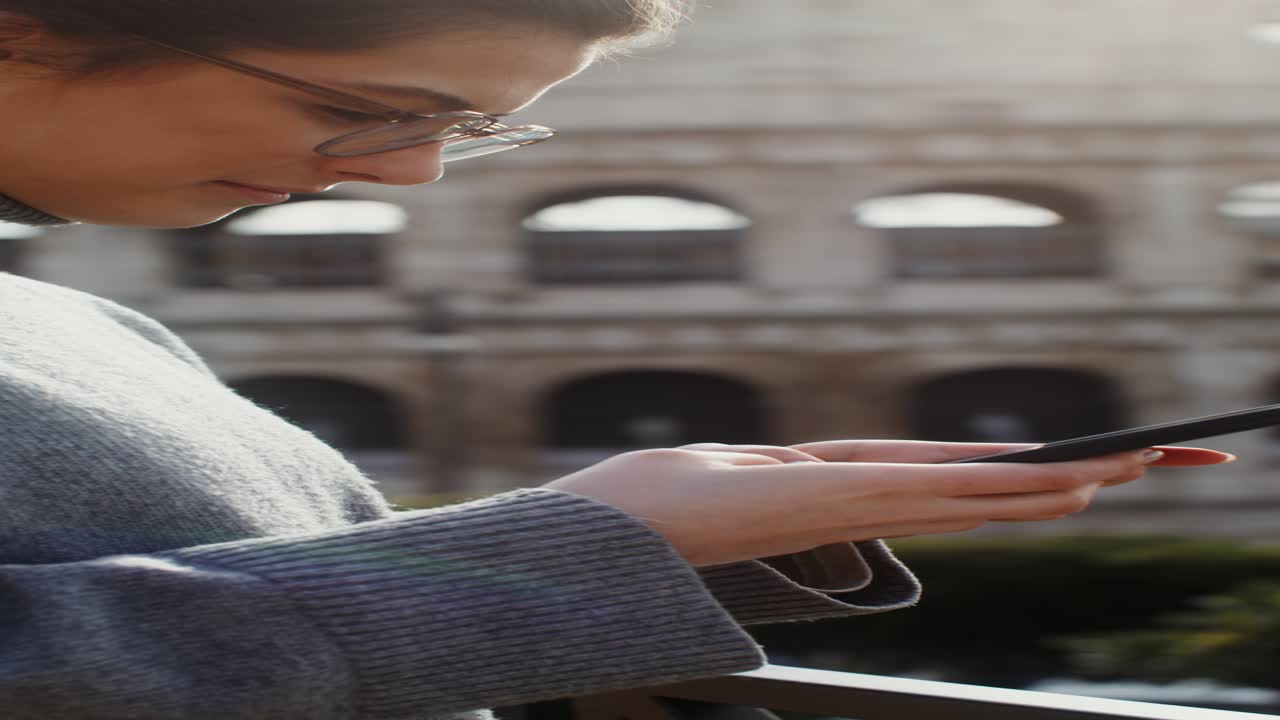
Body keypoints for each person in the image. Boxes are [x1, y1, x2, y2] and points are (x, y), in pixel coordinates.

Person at [0, 2, 1234, 719]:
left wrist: (660, 535)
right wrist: (575, 546)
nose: (406, 170)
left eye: (464, 130)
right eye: (368, 105)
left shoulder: (93, 324)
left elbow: (205, 601)